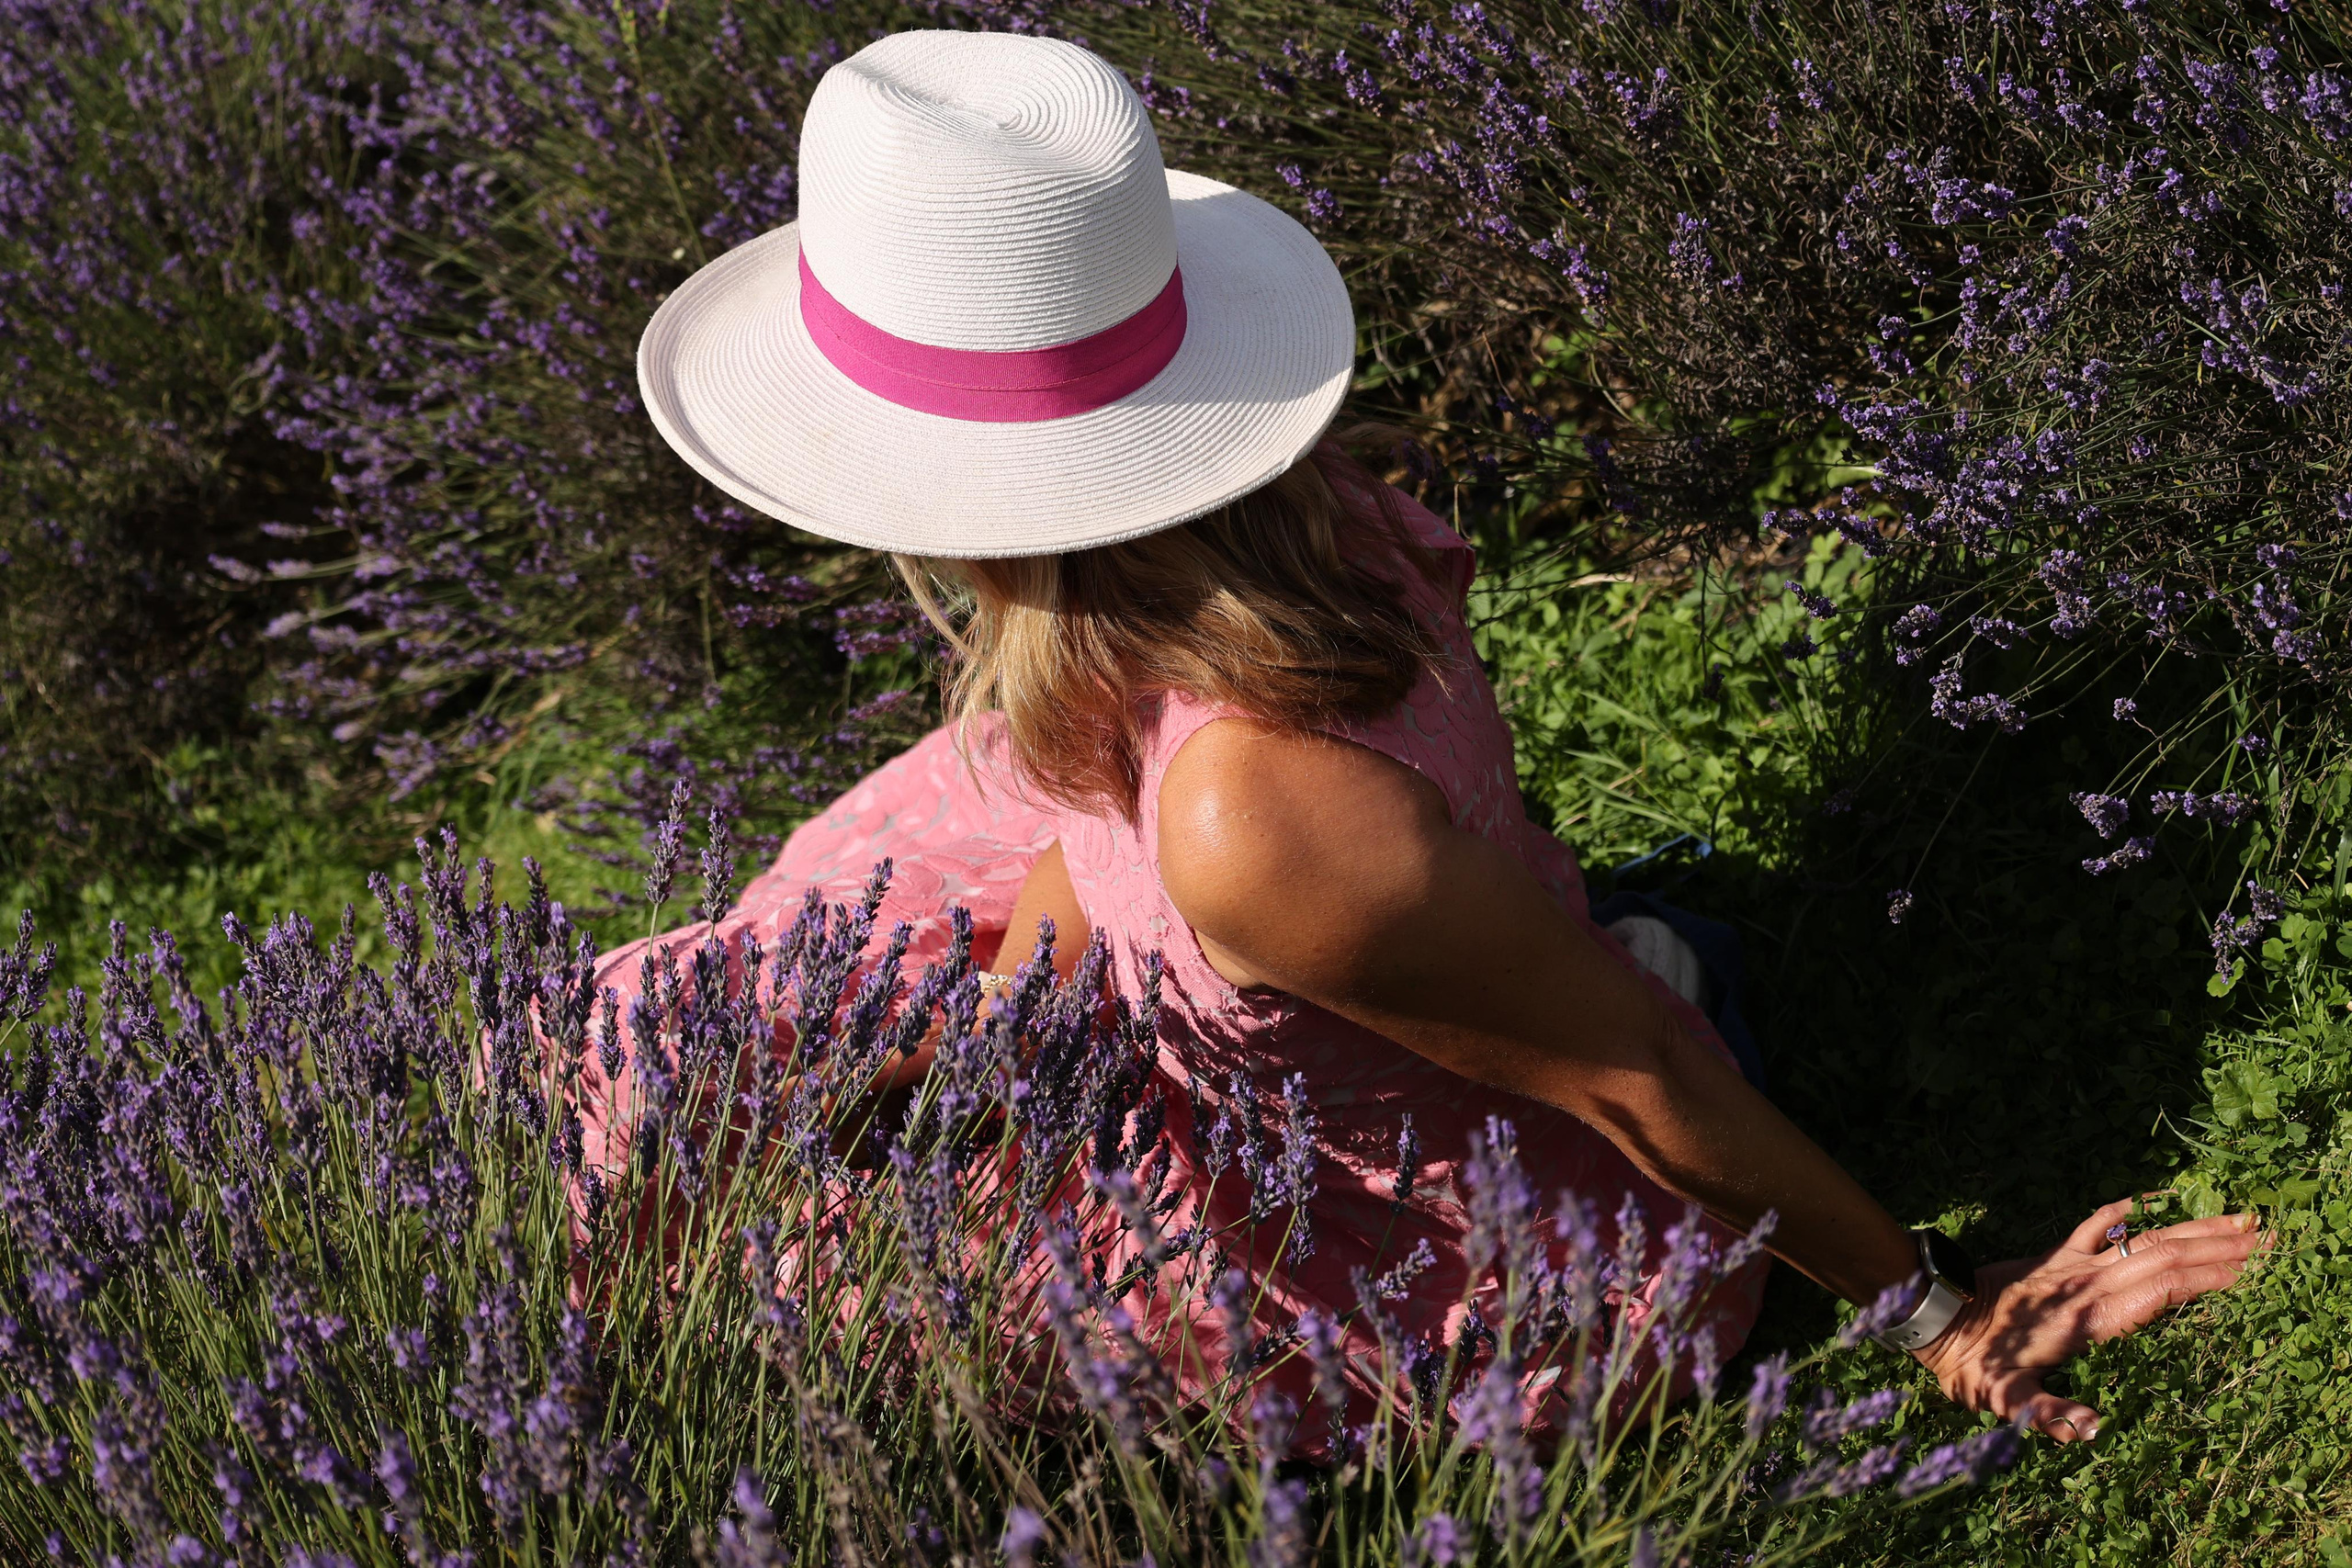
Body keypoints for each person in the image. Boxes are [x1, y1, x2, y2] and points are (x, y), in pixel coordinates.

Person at [595, 28, 2261, 1445]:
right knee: (698, 1053)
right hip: (1359, 944)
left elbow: (1640, 1077)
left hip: (1445, 1208)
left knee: (729, 1270)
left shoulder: (1251, 814)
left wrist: (1941, 1314)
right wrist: (978, 1048)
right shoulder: (1280, 517)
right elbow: (1087, 863)